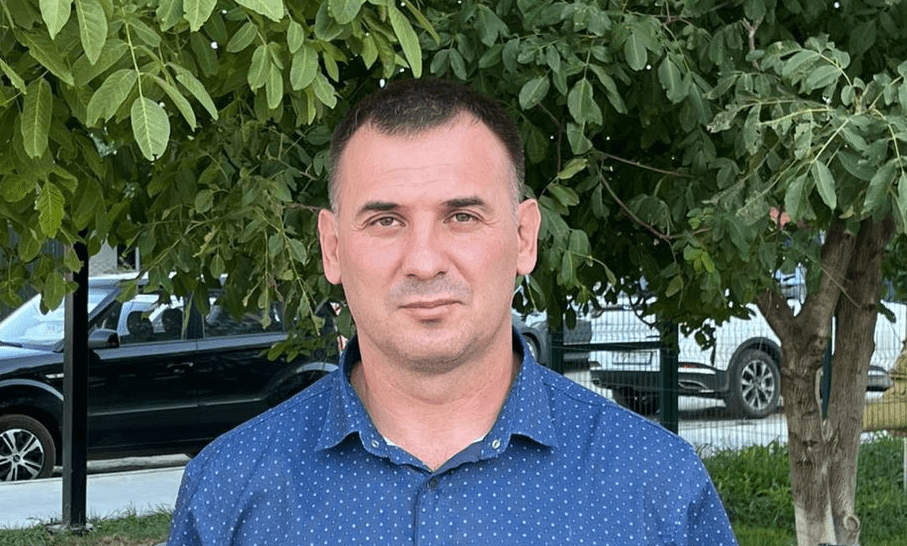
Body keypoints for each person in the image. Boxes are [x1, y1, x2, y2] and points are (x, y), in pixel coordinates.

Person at [166, 79, 738, 545]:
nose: (424, 261)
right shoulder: (227, 491)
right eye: (385, 220)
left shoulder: (656, 484)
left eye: (461, 217)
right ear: (332, 248)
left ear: (524, 237)